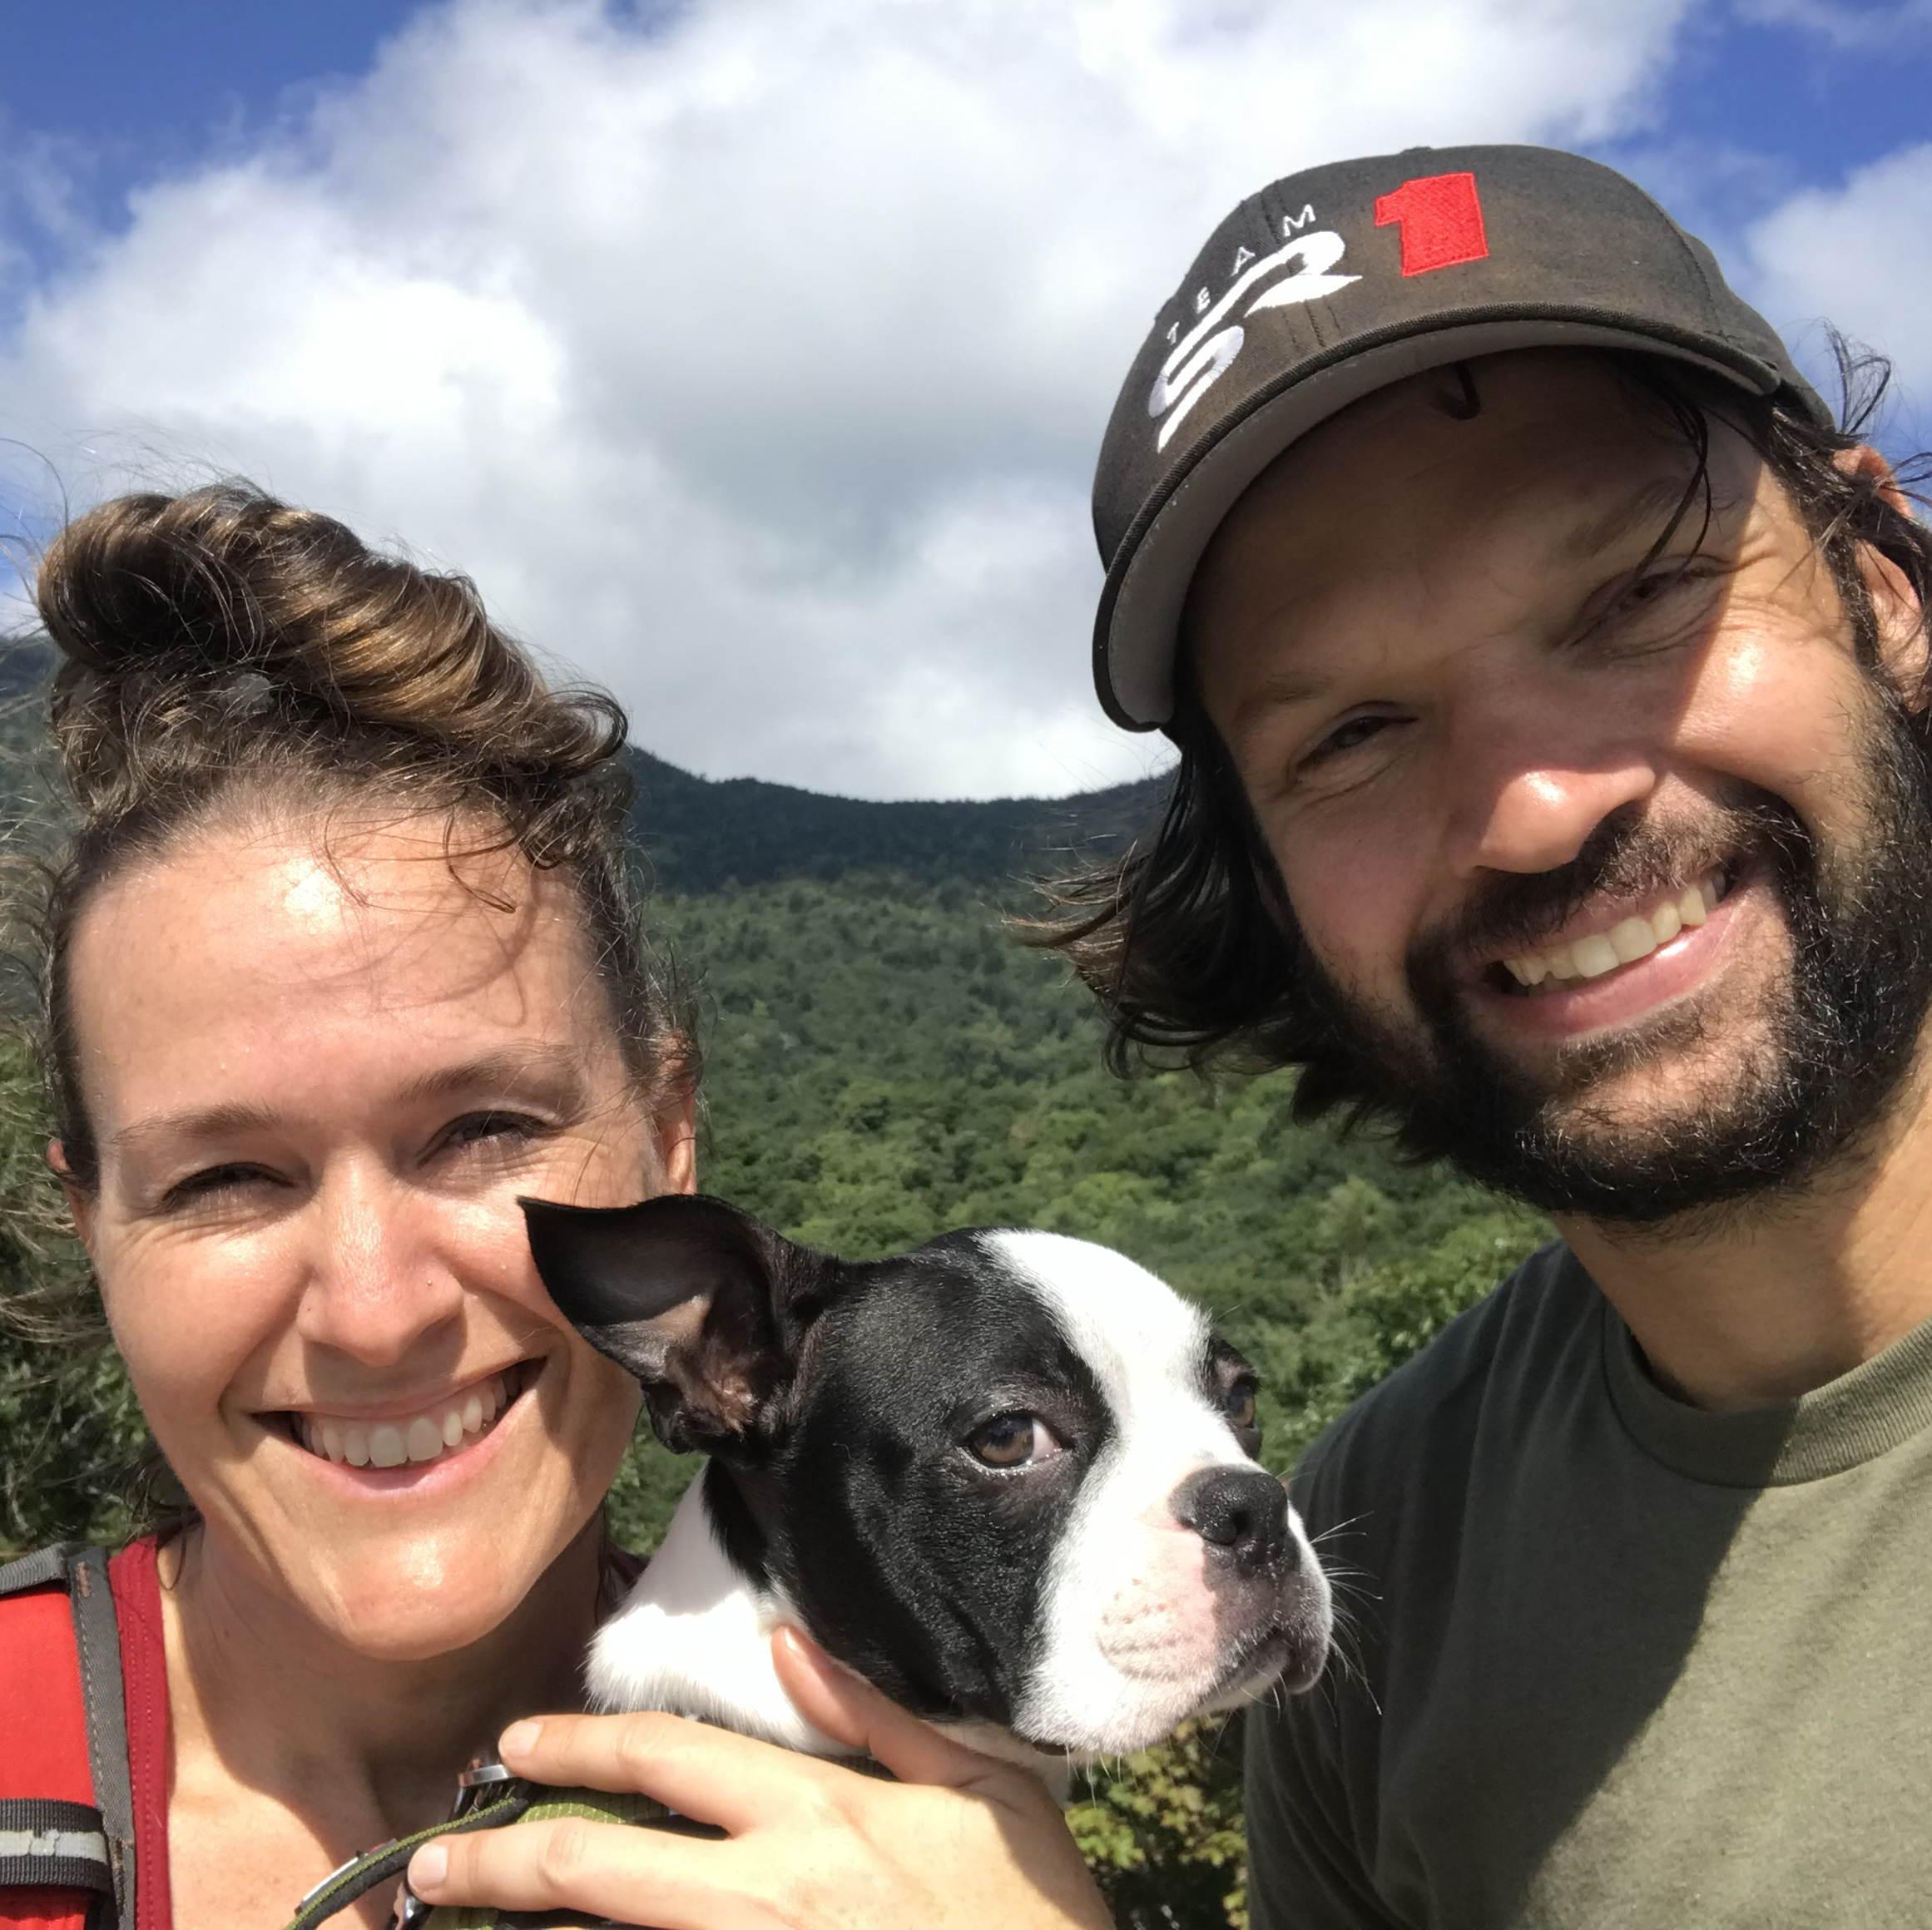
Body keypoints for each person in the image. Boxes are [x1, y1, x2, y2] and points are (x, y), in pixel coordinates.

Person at [0, 484, 1109, 1930]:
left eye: (478, 1131)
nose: (375, 1309)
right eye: (223, 1177)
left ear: (665, 1135)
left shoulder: (932, 1845)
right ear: (92, 1223)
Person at [1043, 142, 1932, 1926]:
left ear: (1884, 587)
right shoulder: (1377, 1551)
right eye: (1356, 730)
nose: (1533, 807)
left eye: (1632, 597)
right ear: (1267, 876)